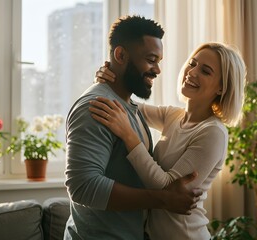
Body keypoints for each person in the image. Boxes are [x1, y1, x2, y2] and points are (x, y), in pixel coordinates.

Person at [64, 15, 203, 240]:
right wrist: (163, 199)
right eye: (150, 59)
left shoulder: (129, 107)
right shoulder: (98, 107)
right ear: (120, 55)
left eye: (159, 61)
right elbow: (83, 186)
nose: (157, 70)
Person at [90, 42, 246, 240]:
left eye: (206, 71)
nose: (192, 72)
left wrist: (128, 134)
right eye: (192, 63)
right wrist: (108, 80)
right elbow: (127, 105)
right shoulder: (174, 116)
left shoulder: (213, 133)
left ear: (222, 87)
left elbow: (165, 189)